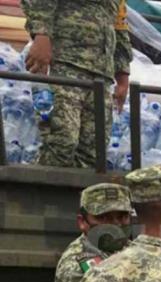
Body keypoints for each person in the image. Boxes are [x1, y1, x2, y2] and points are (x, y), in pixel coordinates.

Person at [22, 0, 133, 168]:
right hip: (65, 64)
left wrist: (123, 76)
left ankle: (74, 195)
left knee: (93, 153)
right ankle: (38, 192)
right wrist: (41, 35)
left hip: (101, 76)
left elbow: (120, 27)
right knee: (61, 142)